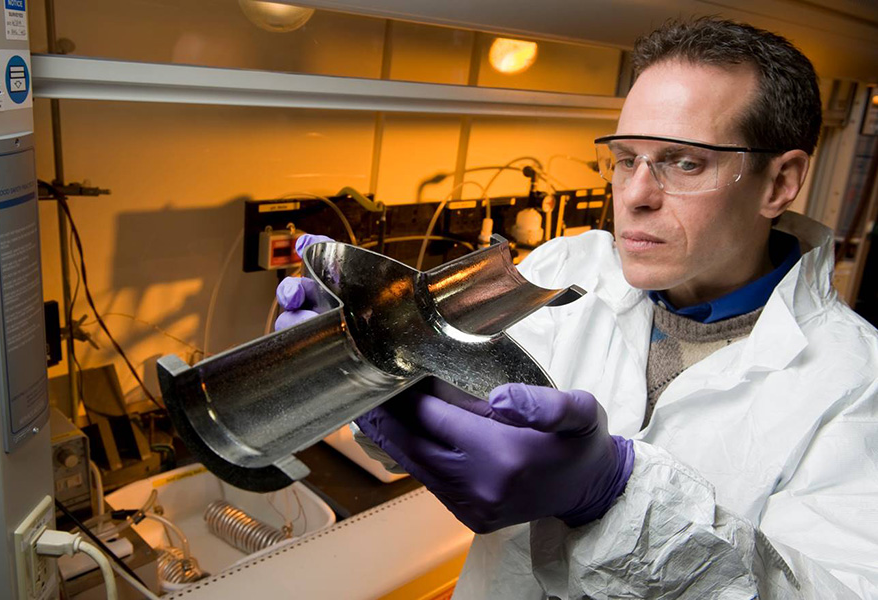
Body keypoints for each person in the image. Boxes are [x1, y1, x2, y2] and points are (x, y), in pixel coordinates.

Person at [276, 17, 878, 599]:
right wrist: (376, 366)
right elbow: (414, 439)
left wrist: (615, 494)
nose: (635, 196)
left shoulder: (855, 382)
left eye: (685, 161)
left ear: (779, 181)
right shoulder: (563, 270)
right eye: (624, 158)